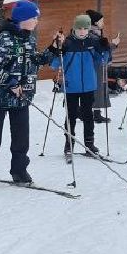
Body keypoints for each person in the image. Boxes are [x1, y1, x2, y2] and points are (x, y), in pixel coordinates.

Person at [0, 0, 63, 185]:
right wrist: (10, 82)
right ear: (22, 19)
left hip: (22, 97)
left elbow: (35, 60)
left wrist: (53, 48)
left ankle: (19, 171)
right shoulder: (4, 38)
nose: (37, 21)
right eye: (34, 17)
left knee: (21, 138)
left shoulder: (29, 38)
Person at [48, 13, 110, 158]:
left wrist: (105, 49)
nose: (82, 31)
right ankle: (69, 144)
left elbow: (102, 61)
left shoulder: (93, 42)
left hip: (89, 86)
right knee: (71, 116)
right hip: (71, 87)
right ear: (74, 28)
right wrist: (58, 50)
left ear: (89, 29)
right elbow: (54, 64)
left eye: (85, 28)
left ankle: (89, 144)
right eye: (79, 28)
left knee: (88, 116)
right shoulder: (68, 43)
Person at [86, 9, 121, 123]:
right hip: (95, 65)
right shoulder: (92, 35)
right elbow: (101, 49)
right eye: (101, 20)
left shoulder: (96, 33)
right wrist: (113, 44)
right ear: (95, 22)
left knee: (98, 89)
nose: (103, 23)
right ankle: (93, 113)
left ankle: (92, 112)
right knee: (96, 89)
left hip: (98, 65)